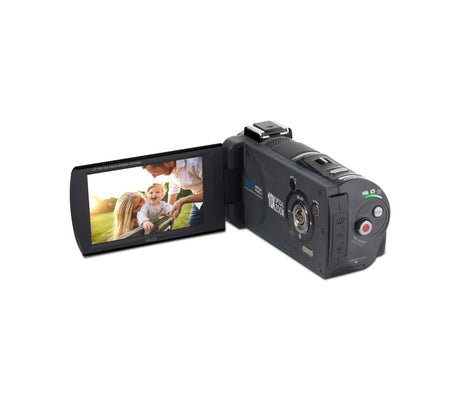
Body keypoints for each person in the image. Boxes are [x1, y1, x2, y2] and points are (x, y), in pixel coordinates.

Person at [142, 158, 203, 226]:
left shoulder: (196, 162)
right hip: (198, 203)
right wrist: (168, 209)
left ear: (168, 162)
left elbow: (211, 191)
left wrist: (182, 201)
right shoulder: (170, 169)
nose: (154, 176)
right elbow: (173, 188)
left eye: (155, 172)